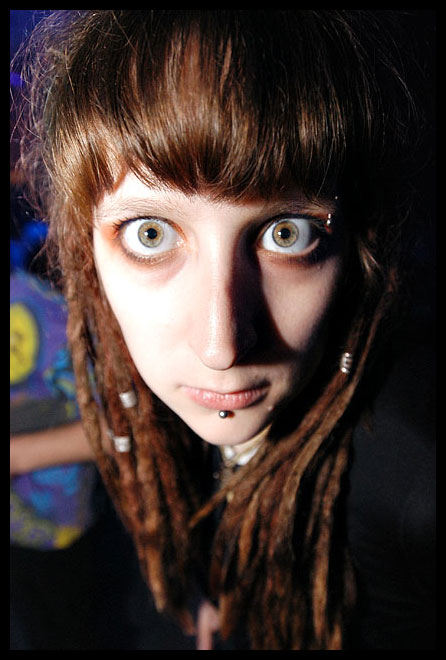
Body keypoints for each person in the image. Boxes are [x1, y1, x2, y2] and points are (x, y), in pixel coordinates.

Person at [14, 10, 435, 650]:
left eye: (286, 233)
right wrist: (228, 585)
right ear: (85, 250)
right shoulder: (171, 417)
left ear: (356, 248)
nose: (222, 347)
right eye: (150, 233)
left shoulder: (416, 485)